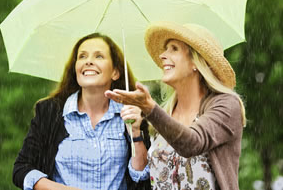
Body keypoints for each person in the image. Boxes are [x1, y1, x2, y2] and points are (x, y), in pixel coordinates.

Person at [105, 21, 246, 190]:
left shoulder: (226, 105)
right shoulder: (164, 115)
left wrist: (149, 108)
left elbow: (192, 143)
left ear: (196, 62)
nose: (162, 55)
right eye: (165, 49)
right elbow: (143, 175)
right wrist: (136, 134)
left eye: (174, 48)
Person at [13, 33, 151, 190]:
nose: (89, 61)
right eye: (82, 56)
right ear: (76, 68)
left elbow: (142, 178)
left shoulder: (132, 113)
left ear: (115, 72)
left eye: (99, 56)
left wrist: (136, 134)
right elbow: (21, 170)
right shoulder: (50, 112)